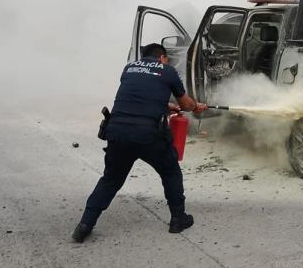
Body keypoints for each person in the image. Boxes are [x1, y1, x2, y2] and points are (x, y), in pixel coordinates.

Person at [72, 43, 208, 243]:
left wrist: (162, 106)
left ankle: (84, 225)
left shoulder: (129, 68)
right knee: (170, 171)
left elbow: (139, 95)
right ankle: (178, 219)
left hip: (117, 132)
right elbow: (186, 104)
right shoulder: (167, 71)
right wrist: (196, 106)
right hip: (148, 135)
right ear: (162, 57)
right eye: (166, 60)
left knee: (111, 180)